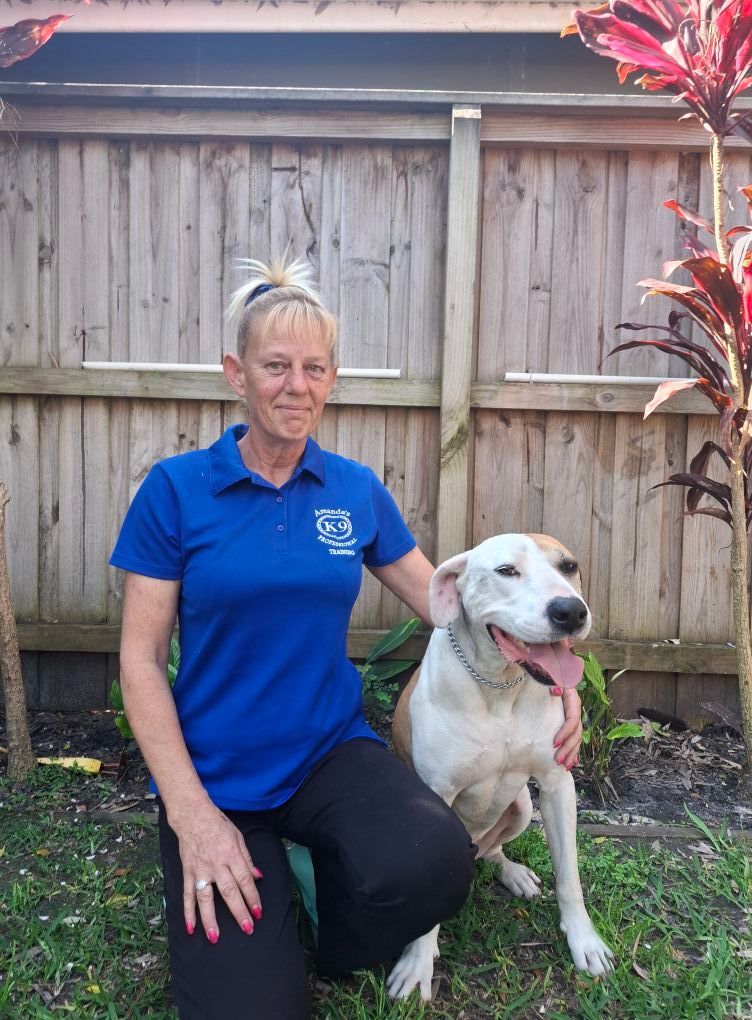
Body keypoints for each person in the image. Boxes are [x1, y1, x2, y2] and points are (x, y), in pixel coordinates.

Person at [110, 255, 583, 1019]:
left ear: (332, 378)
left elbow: (452, 604)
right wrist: (190, 814)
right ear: (237, 372)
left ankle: (313, 924)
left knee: (435, 864)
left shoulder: (355, 490)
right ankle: (263, 919)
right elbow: (138, 660)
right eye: (275, 366)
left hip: (329, 754)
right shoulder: (176, 490)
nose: (295, 386)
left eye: (314, 368)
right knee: (250, 1009)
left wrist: (559, 680)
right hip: (218, 775)